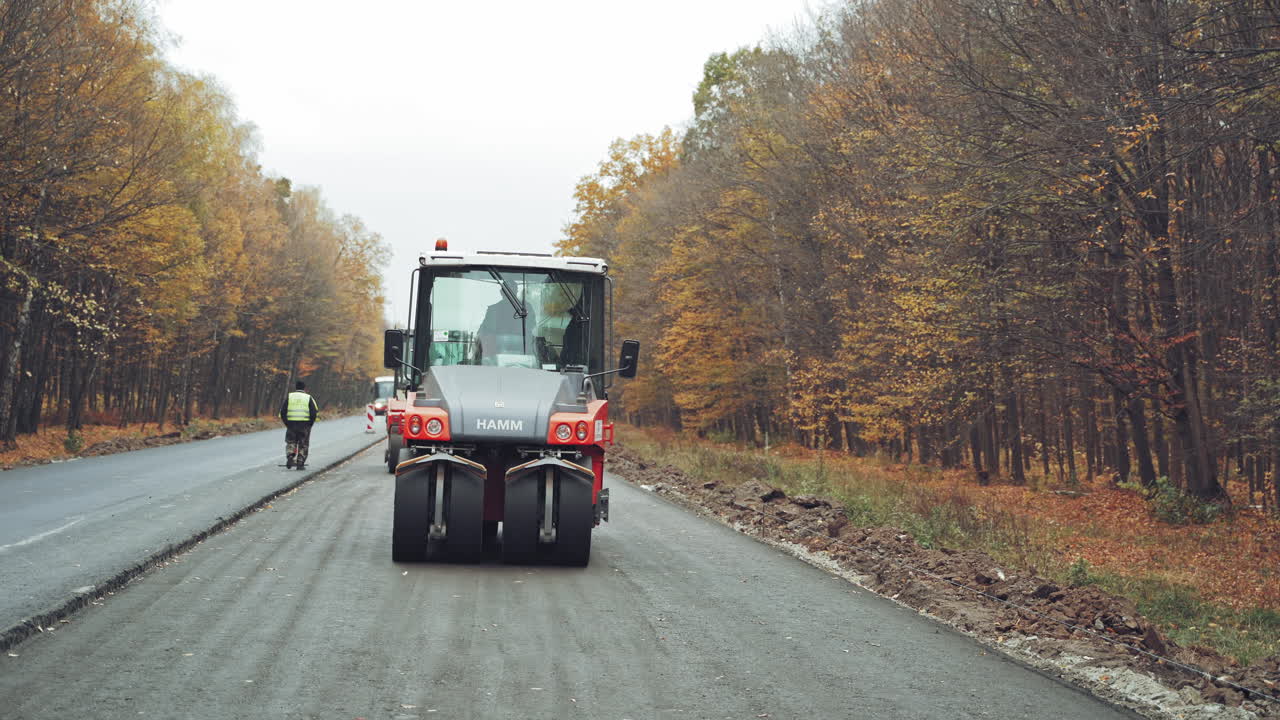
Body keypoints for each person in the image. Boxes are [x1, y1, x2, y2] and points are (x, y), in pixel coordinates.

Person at [280, 380, 319, 469]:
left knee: (291, 441)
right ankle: (300, 463)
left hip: (291, 424)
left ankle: (290, 456)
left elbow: (283, 412)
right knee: (303, 443)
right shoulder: (308, 398)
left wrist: (287, 423)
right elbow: (313, 412)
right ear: (305, 388)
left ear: (296, 387)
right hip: (304, 424)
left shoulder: (290, 397)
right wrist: (310, 424)